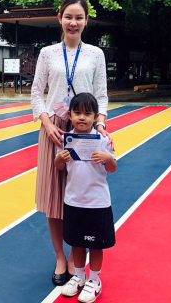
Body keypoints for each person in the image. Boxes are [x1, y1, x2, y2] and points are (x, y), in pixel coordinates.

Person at [31, 0, 111, 286]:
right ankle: (60, 257)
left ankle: (81, 261)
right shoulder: (48, 53)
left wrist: (100, 124)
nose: (73, 23)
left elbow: (101, 94)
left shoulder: (96, 54)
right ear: (59, 19)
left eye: (79, 17)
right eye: (68, 17)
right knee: (54, 198)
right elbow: (36, 92)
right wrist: (47, 123)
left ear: (86, 21)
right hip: (54, 130)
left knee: (83, 195)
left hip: (85, 132)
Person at [54, 93, 117, 303]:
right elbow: (59, 167)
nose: (82, 117)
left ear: (95, 117)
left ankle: (95, 280)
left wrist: (108, 158)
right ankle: (79, 276)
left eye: (87, 113)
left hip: (97, 203)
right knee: (77, 242)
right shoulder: (66, 140)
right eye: (77, 113)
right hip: (73, 201)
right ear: (70, 115)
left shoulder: (103, 140)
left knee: (96, 244)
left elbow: (113, 168)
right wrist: (60, 159)